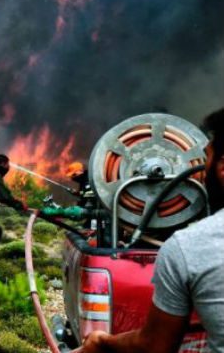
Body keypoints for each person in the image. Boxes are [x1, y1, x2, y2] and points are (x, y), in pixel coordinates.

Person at [80, 108, 224, 353]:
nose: (200, 168)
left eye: (206, 156)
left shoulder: (189, 247)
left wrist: (102, 342)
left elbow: (155, 347)